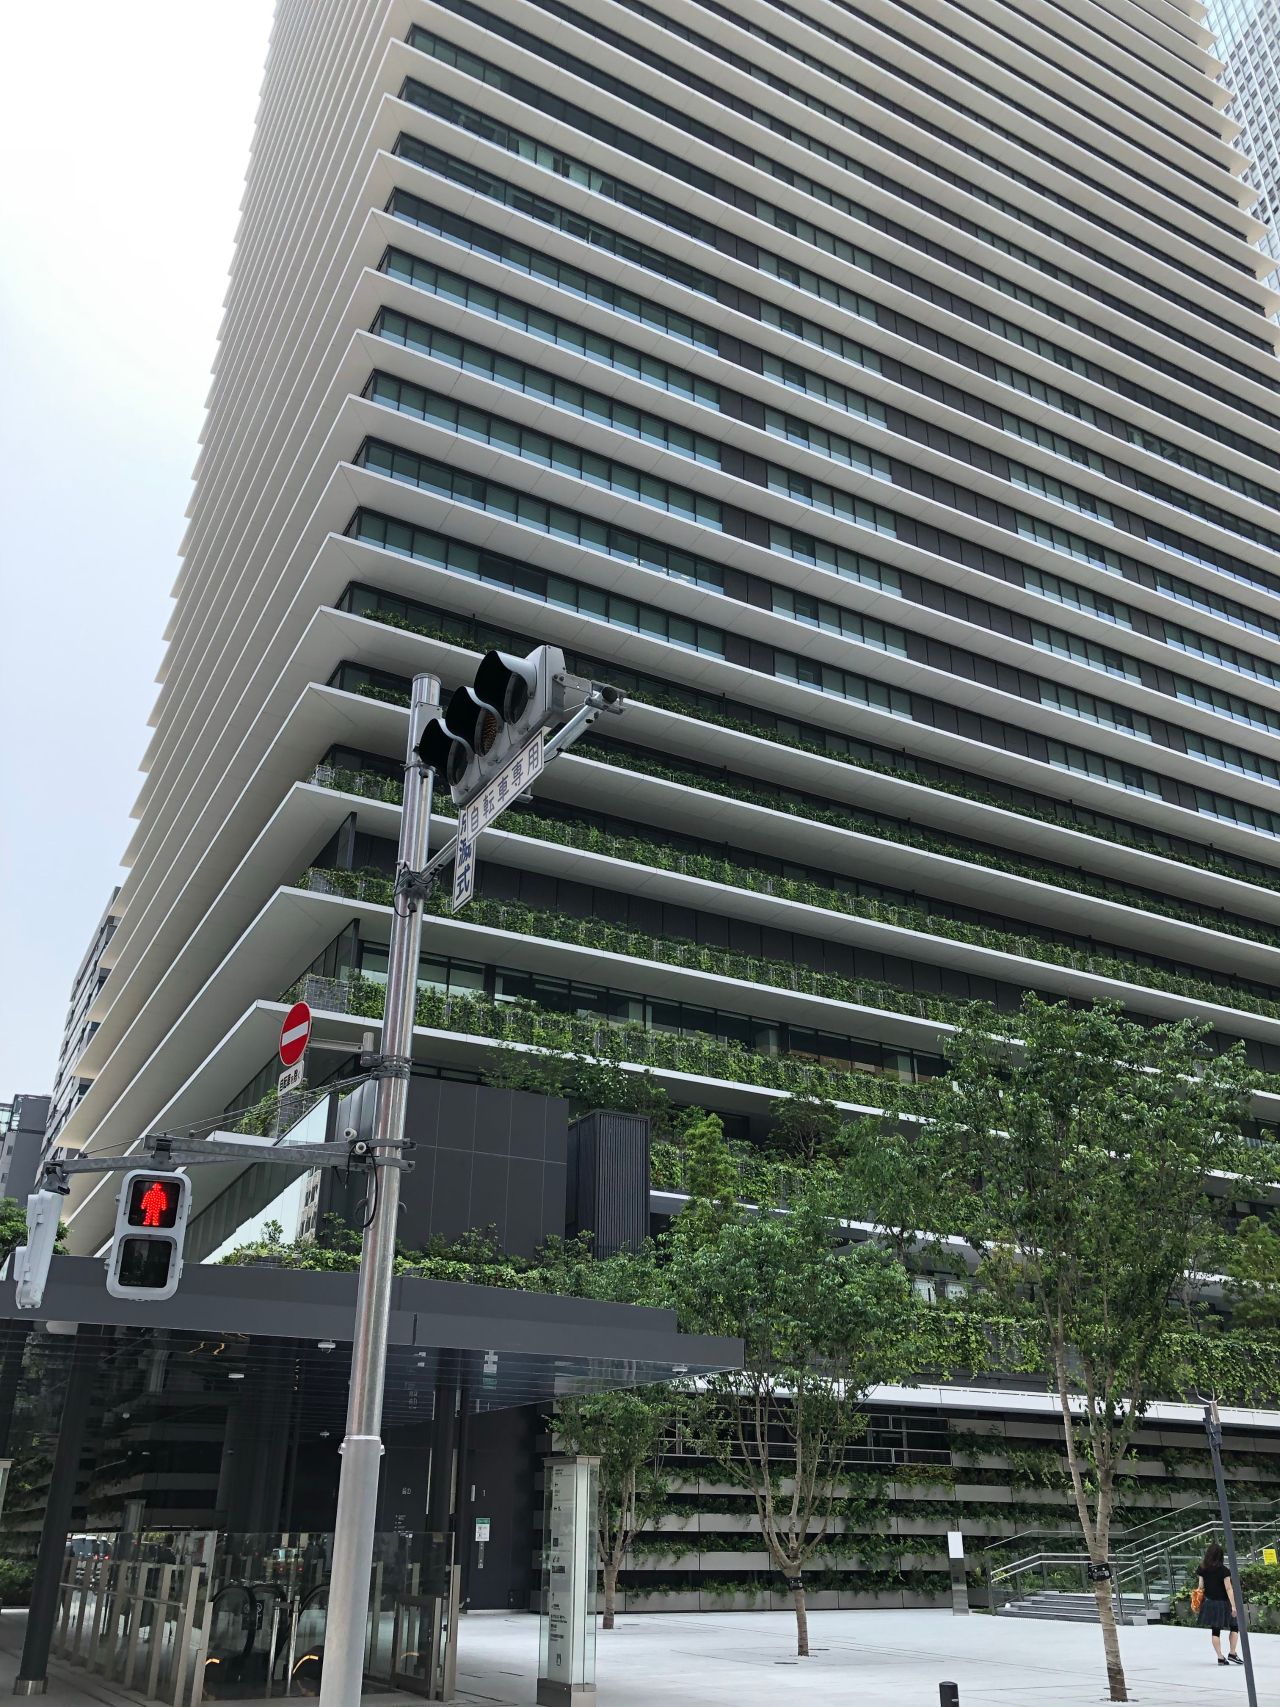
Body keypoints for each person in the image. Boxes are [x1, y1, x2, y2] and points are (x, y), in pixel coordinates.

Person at [1196, 1542, 1242, 1666]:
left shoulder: (1202, 1568)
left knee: (1215, 1631)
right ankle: (1232, 1653)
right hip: (1224, 1603)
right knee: (1234, 1627)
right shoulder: (1224, 1570)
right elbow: (1229, 1589)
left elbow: (1200, 1587)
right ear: (1220, 1556)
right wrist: (1233, 1605)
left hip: (1210, 1603)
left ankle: (1220, 1657)